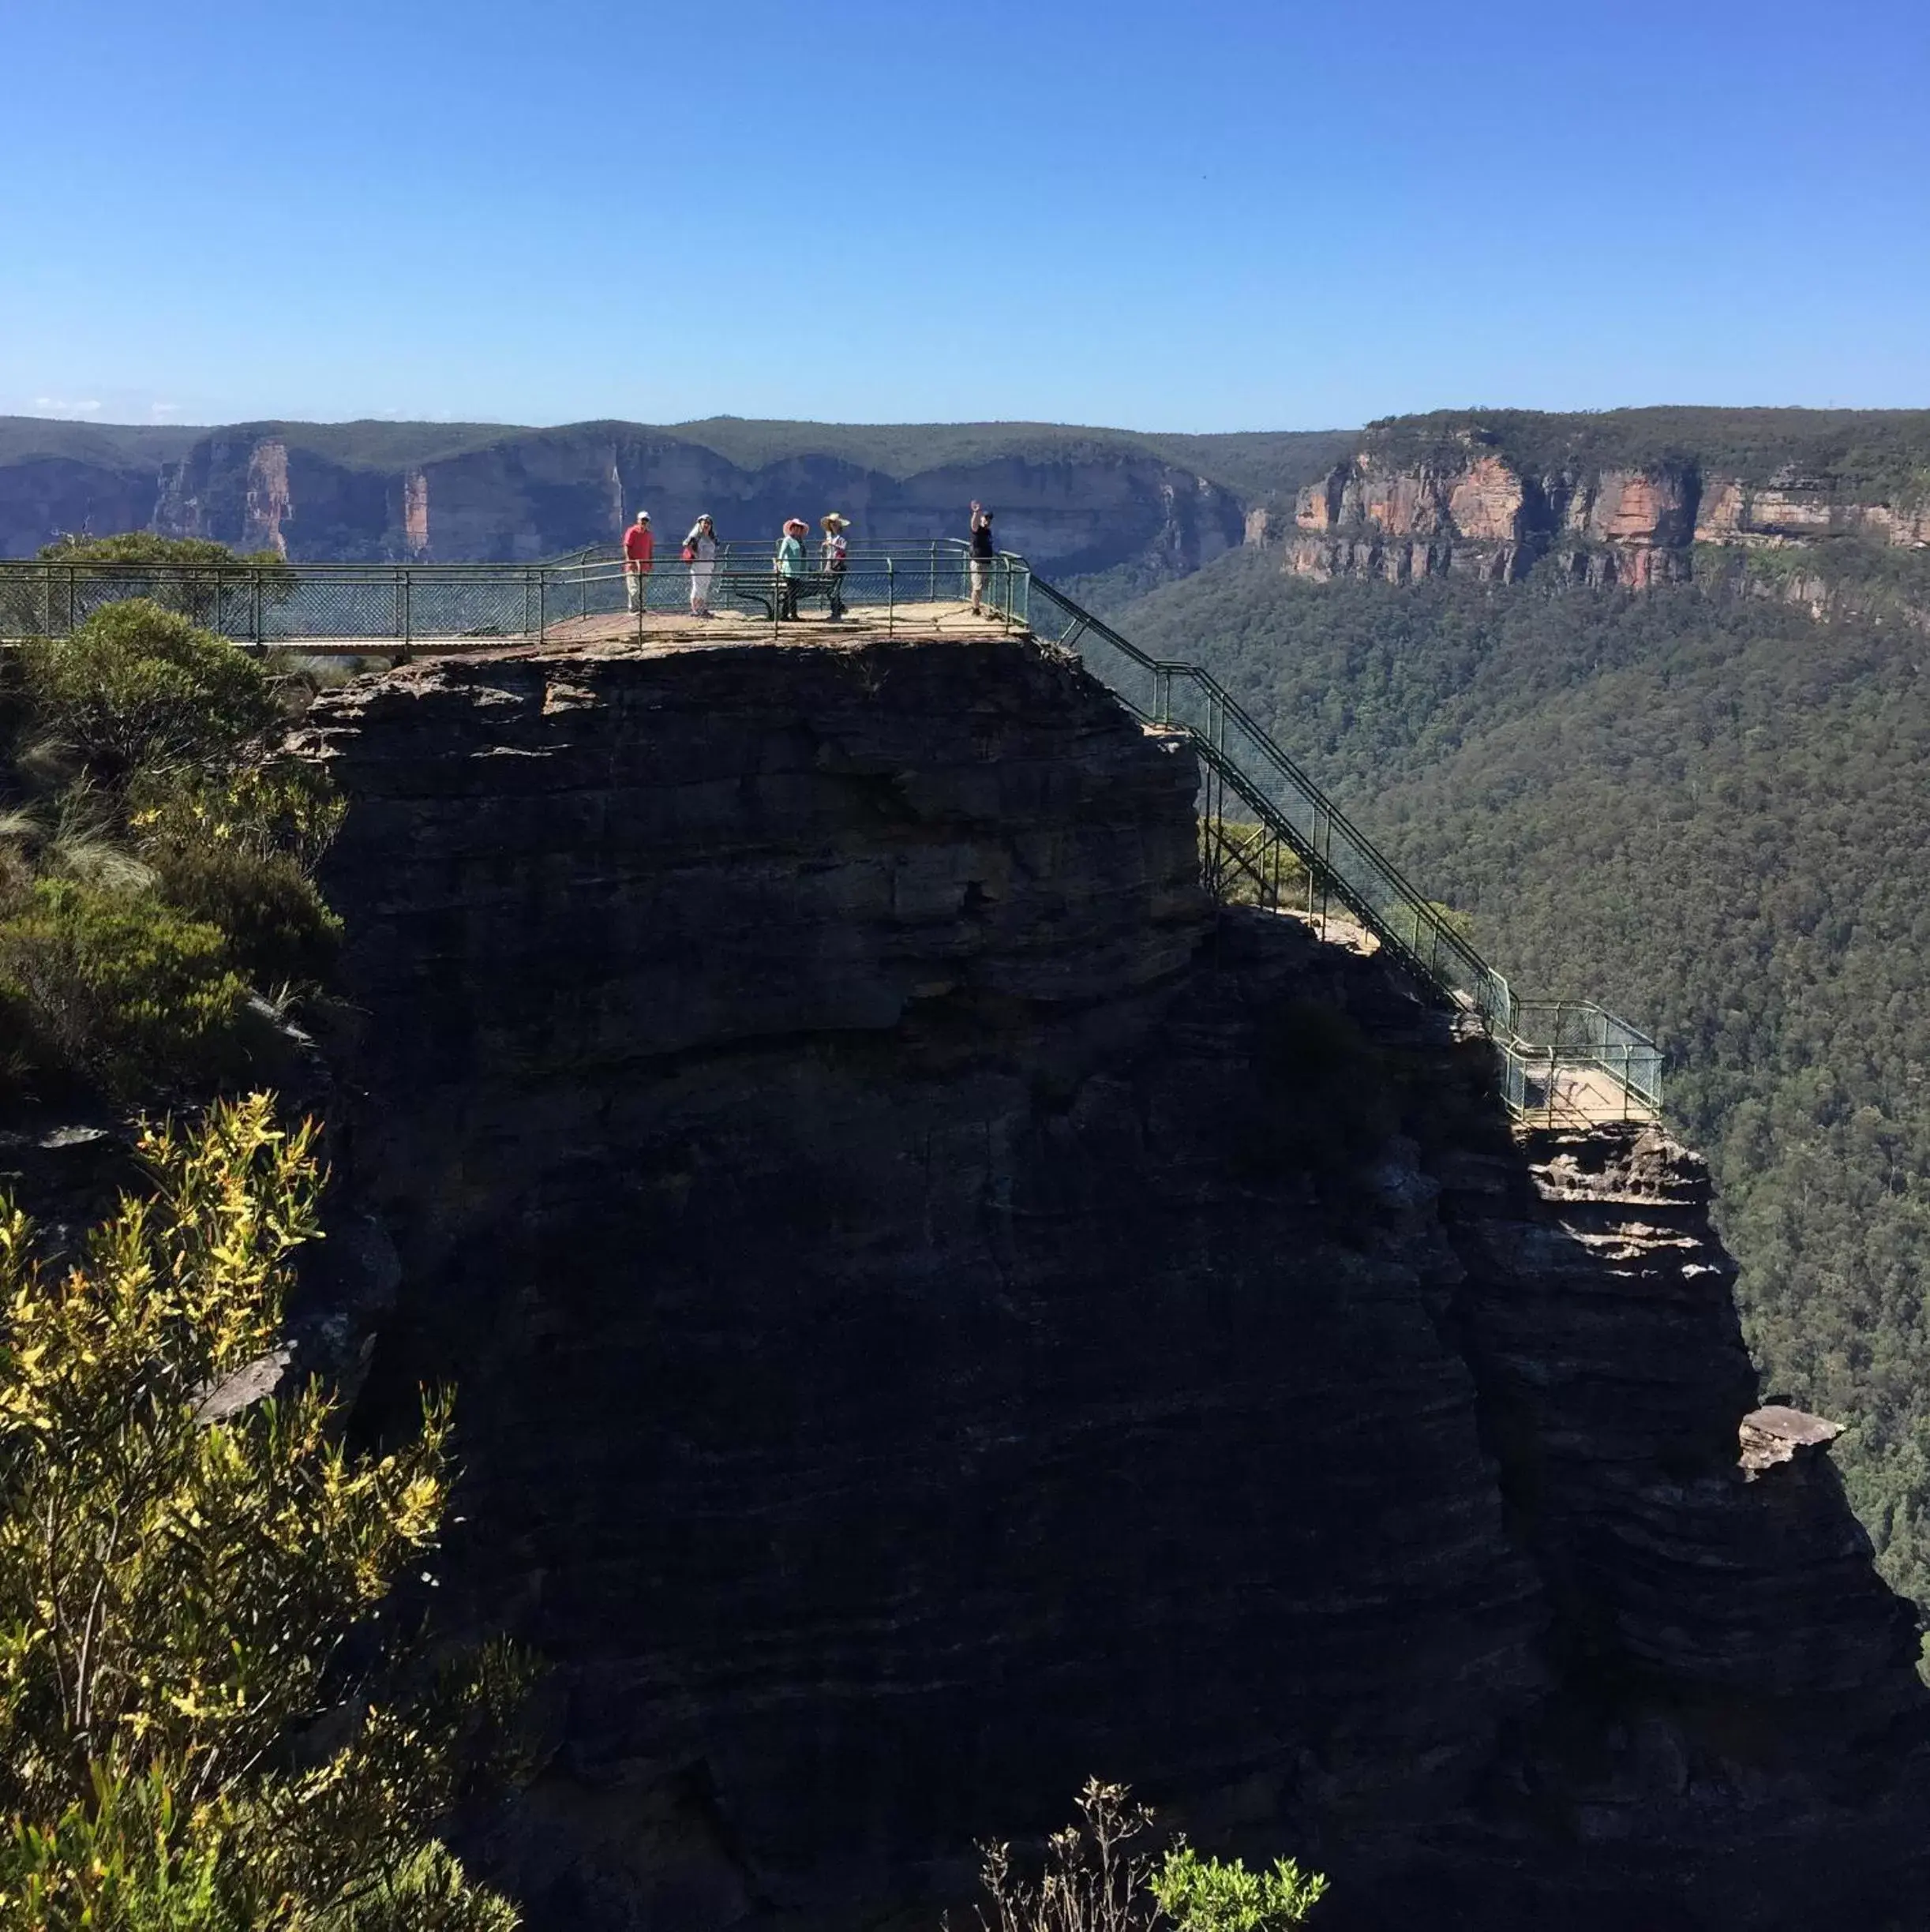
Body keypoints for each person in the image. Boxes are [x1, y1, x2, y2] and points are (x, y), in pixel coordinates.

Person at [684, 513, 718, 616]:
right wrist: (695, 554)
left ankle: (702, 608)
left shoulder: (712, 536)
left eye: (709, 523)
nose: (707, 525)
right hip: (698, 564)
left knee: (705, 586)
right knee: (697, 586)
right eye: (705, 523)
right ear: (700, 524)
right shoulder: (696, 536)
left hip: (709, 564)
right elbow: (686, 544)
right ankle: (695, 609)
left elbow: (717, 545)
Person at [775, 517, 808, 620]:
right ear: (792, 528)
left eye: (799, 528)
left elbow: (803, 557)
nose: (797, 530)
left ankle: (784, 615)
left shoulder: (800, 542)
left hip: (797, 572)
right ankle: (793, 615)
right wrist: (778, 566)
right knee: (792, 594)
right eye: (796, 528)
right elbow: (782, 554)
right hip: (789, 571)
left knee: (791, 594)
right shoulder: (787, 540)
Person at [820, 512, 850, 621]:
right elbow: (830, 554)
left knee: (834, 590)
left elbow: (844, 549)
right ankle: (839, 608)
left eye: (834, 523)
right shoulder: (831, 537)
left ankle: (836, 612)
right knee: (830, 590)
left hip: (838, 566)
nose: (832, 525)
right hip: (831, 566)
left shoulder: (842, 537)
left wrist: (832, 545)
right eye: (831, 523)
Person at [623, 511, 654, 614]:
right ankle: (633, 609)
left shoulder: (648, 534)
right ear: (638, 520)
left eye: (646, 520)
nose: (644, 522)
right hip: (633, 565)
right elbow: (627, 546)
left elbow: (649, 549)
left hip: (644, 566)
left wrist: (650, 563)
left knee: (642, 589)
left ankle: (640, 607)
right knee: (634, 589)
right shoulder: (632, 531)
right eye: (642, 520)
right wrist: (630, 560)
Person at [968, 500, 995, 614]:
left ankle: (976, 606)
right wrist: (976, 512)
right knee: (977, 586)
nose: (987, 520)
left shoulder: (988, 532)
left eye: (989, 519)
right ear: (981, 518)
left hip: (986, 562)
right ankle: (975, 609)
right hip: (978, 562)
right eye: (985, 518)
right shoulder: (978, 530)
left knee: (981, 587)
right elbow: (973, 525)